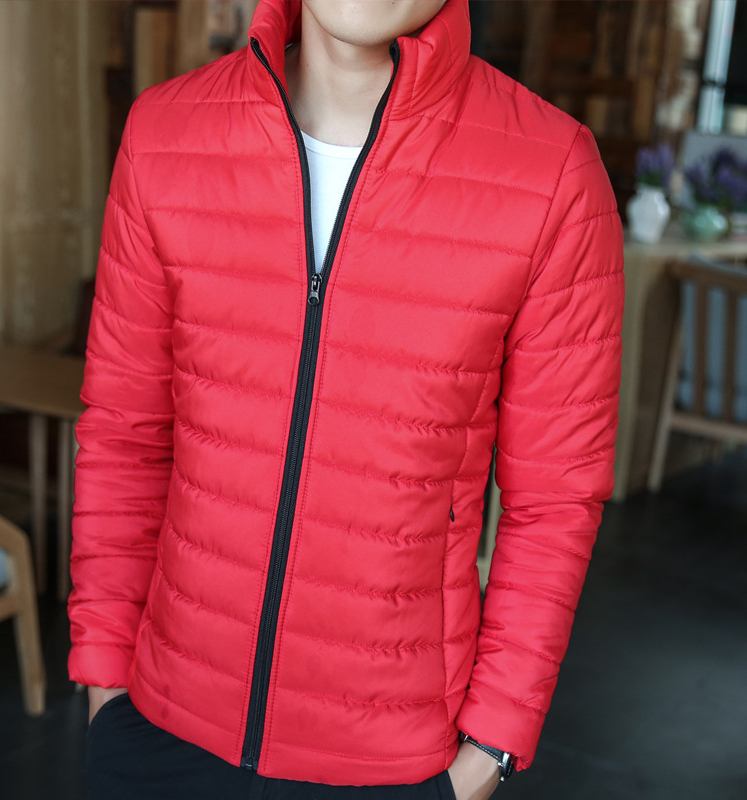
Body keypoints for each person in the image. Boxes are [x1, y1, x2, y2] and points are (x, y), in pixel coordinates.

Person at [68, 1, 624, 798]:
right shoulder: (164, 132)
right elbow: (126, 432)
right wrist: (104, 681)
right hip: (156, 729)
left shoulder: (552, 172)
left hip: (394, 761)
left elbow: (555, 498)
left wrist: (489, 753)